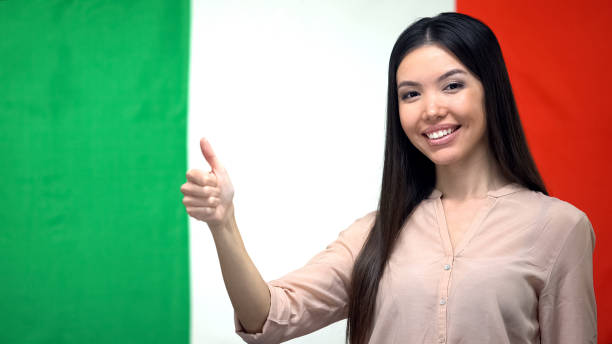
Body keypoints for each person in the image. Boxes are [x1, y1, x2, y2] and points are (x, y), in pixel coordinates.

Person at [180, 12, 596, 344]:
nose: (430, 109)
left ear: (491, 90)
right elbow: (268, 319)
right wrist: (223, 224)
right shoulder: (372, 235)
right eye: (410, 94)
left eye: (452, 86)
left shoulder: (559, 228)